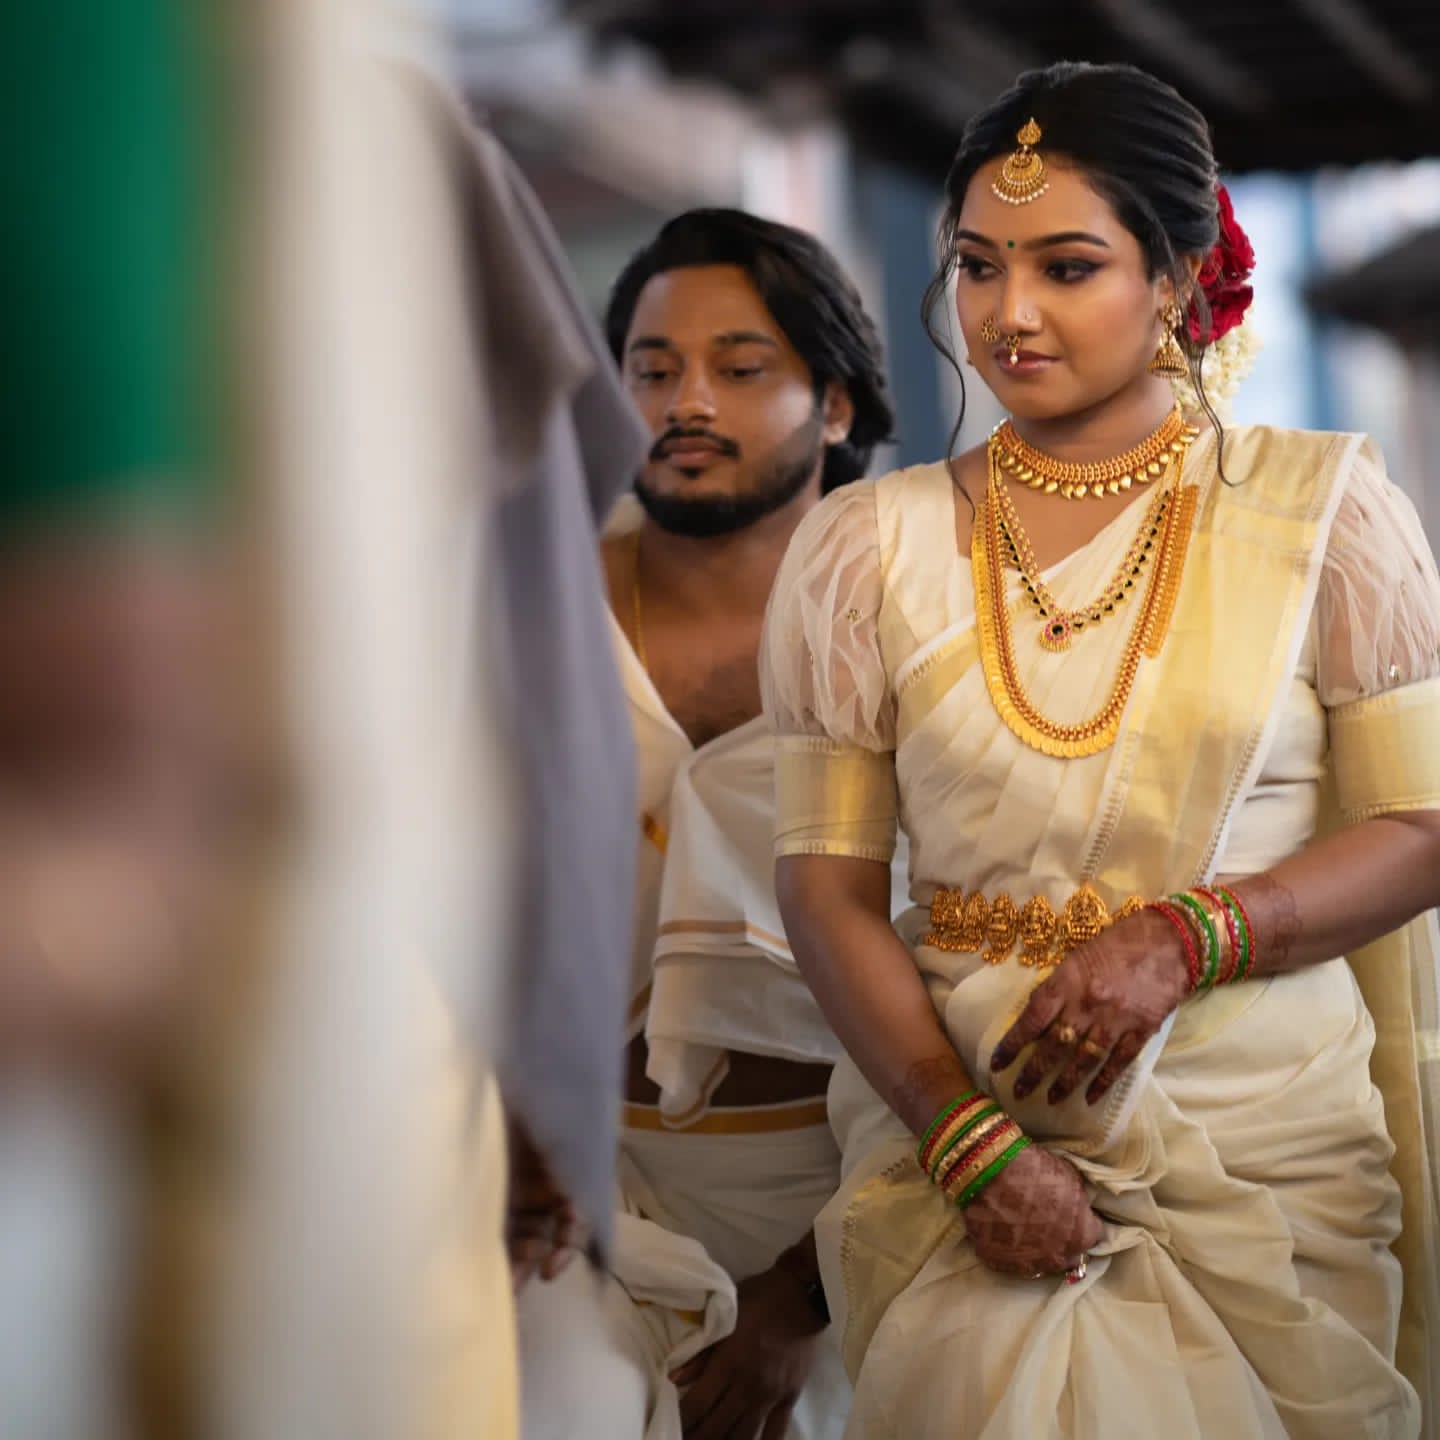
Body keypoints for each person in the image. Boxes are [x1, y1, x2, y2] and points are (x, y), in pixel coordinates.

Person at [761, 61, 1440, 1440]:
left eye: (1068, 267)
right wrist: (965, 1141)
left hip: (1257, 1158)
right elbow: (825, 890)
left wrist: (1188, 936)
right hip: (960, 1139)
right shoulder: (861, 547)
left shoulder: (1324, 518)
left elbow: (1423, 829)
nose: (1010, 314)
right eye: (977, 266)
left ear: (1180, 281)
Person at [514, 209, 898, 1440]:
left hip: (851, 1201)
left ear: (834, 406)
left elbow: (971, 954)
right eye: (651, 367)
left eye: (740, 369)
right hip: (574, 1192)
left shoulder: (913, 628)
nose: (686, 400)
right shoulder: (536, 603)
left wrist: (806, 1297)